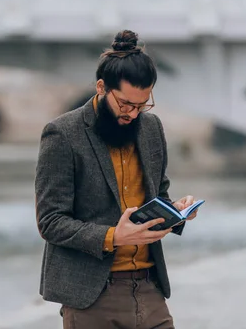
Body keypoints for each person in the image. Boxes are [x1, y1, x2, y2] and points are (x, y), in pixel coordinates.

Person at [34, 30, 198, 329]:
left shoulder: (151, 128)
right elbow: (51, 221)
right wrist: (113, 237)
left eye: (142, 105)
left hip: (149, 289)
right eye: (125, 104)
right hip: (91, 296)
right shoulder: (62, 134)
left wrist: (176, 212)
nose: (133, 114)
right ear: (101, 87)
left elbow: (157, 196)